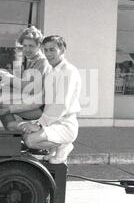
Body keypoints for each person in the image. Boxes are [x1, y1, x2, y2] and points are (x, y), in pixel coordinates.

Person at [9, 35, 81, 164]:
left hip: (64, 124)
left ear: (63, 50)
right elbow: (40, 98)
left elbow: (61, 105)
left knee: (30, 140)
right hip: (51, 122)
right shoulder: (51, 72)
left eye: (52, 49)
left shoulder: (69, 72)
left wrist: (38, 124)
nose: (48, 54)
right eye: (45, 50)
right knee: (12, 126)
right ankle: (54, 147)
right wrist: (9, 108)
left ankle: (63, 145)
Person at [0, 26, 50, 130]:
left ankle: (15, 134)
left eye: (31, 46)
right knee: (2, 103)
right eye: (24, 46)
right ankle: (15, 135)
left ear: (39, 46)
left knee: (3, 106)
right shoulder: (33, 62)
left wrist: (9, 78)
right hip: (32, 102)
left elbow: (32, 88)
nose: (27, 49)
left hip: (41, 107)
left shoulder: (43, 62)